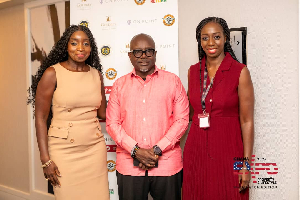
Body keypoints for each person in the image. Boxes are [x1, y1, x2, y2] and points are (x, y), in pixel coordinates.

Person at [28, 25, 109, 200]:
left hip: (94, 149)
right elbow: (41, 118)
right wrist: (45, 159)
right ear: (66, 46)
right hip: (64, 151)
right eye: (74, 43)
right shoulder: (52, 73)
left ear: (91, 48)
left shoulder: (96, 75)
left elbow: (103, 113)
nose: (80, 48)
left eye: (86, 44)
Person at [106, 33, 189, 200]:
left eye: (148, 51)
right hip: (129, 167)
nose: (143, 56)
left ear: (155, 54)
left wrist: (156, 149)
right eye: (137, 52)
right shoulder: (119, 85)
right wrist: (136, 150)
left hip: (167, 164)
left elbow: (182, 120)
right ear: (130, 55)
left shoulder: (173, 81)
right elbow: (112, 124)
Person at [182, 17, 254, 200]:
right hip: (196, 150)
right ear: (199, 41)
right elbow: (190, 113)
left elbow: (247, 122)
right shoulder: (193, 71)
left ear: (226, 38)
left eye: (216, 37)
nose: (211, 42)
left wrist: (245, 166)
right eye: (205, 38)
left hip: (229, 150)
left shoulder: (240, 71)